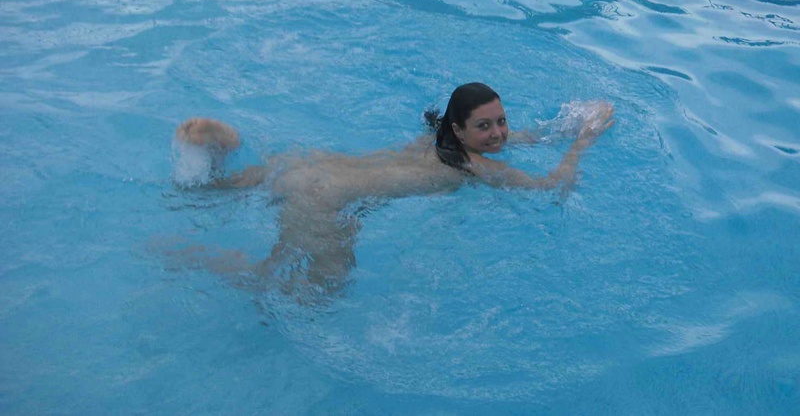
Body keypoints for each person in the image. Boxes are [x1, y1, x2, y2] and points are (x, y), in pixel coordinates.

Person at [168, 83, 614, 299]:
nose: (498, 133)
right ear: (460, 130)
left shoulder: (438, 139)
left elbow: (521, 138)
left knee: (203, 192)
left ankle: (222, 151)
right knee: (304, 295)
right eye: (485, 126)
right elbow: (551, 187)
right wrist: (583, 142)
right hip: (322, 198)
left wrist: (569, 123)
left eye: (501, 121)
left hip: (305, 164)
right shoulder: (475, 166)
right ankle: (191, 257)